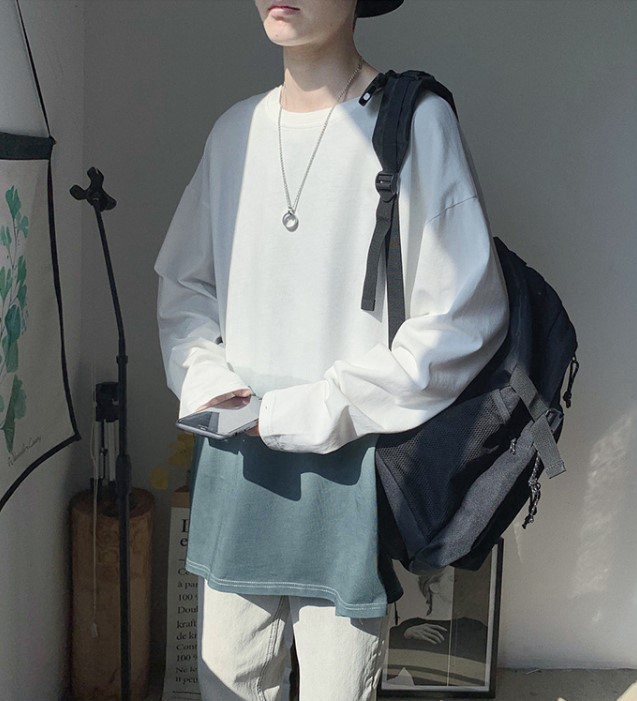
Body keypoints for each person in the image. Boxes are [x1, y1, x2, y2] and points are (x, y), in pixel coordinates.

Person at [154, 1, 509, 699]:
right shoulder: (235, 132)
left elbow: (465, 315)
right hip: (237, 462)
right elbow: (184, 284)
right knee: (227, 682)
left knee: (339, 686)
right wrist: (206, 379)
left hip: (349, 467)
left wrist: (314, 409)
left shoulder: (414, 123)